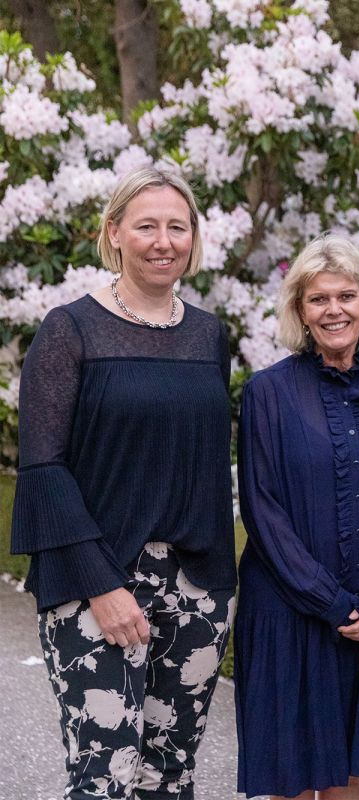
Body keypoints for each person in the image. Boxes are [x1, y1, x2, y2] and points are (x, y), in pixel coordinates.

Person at [10, 166, 236, 797]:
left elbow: (205, 461)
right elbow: (43, 469)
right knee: (103, 776)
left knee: (170, 774)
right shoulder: (69, 331)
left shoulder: (209, 335)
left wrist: (219, 587)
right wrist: (102, 585)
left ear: (193, 237)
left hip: (197, 586)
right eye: (146, 227)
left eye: (177, 227)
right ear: (114, 233)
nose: (163, 242)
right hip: (96, 581)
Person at [233, 234, 359, 799]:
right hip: (289, 613)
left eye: (346, 295)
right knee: (292, 779)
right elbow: (262, 510)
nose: (333, 310)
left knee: (346, 776)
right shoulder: (266, 393)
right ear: (300, 309)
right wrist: (332, 603)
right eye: (318, 299)